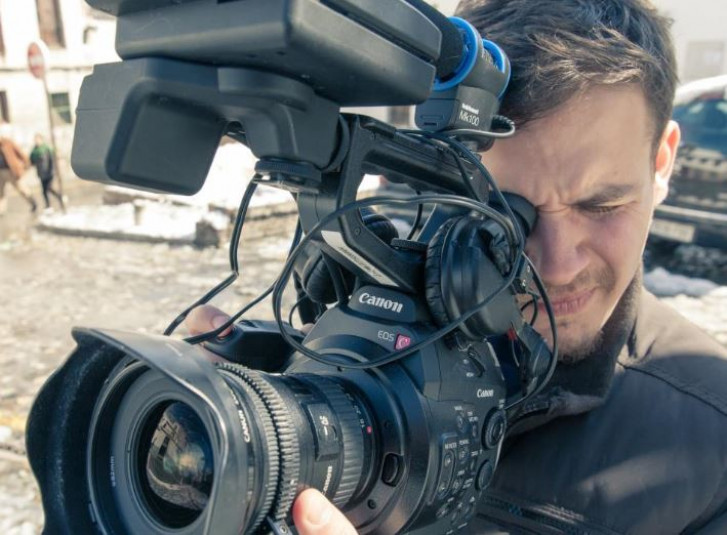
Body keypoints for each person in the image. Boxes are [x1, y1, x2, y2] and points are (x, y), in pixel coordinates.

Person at [186, 0, 727, 533]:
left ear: (661, 162)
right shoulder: (345, 336)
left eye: (603, 206)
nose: (559, 266)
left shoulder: (713, 441)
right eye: (502, 218)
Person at [0, 123, 37, 215]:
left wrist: (26, 162)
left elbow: (19, 152)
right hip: (0, 172)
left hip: (10, 170)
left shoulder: (7, 143)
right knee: (1, 193)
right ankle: (1, 210)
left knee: (21, 188)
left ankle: (32, 201)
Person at [29, 133, 65, 212]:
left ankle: (60, 197)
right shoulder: (34, 151)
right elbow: (31, 161)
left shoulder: (47, 149)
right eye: (35, 140)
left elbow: (52, 160)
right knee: (44, 191)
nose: (37, 141)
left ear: (41, 140)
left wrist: (53, 170)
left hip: (49, 172)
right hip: (41, 174)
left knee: (49, 187)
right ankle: (48, 206)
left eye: (38, 139)